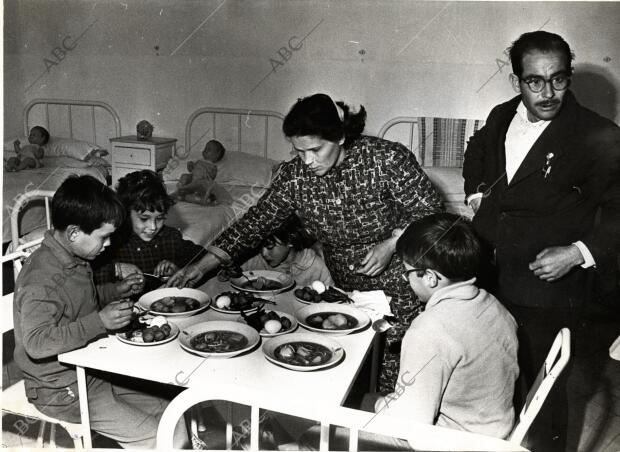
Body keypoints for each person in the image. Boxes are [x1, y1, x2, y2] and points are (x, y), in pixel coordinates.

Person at [168, 93, 444, 392]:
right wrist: (202, 265)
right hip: (345, 285)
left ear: (339, 137)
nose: (308, 161)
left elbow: (431, 212)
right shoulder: (295, 176)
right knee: (345, 371)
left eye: (315, 149)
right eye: (299, 152)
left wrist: (392, 242)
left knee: (394, 374)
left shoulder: (386, 158)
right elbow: (255, 222)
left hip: (399, 282)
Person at [462, 31, 620, 450]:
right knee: (493, 380)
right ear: (517, 81)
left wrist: (578, 253)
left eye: (559, 79)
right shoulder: (500, 116)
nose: (548, 92)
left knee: (545, 397)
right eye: (535, 81)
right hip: (488, 277)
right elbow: (476, 151)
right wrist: (478, 190)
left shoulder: (598, 135)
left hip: (546, 290)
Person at [299, 213, 519, 450]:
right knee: (364, 400)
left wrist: (385, 406)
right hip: (492, 434)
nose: (406, 281)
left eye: (408, 273)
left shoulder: (430, 328)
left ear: (431, 278)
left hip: (452, 443)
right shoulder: (495, 306)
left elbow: (412, 429)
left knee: (312, 434)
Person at [12, 175, 187, 448]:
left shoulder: (75, 257)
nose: (108, 245)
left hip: (93, 371)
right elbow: (36, 342)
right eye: (104, 237)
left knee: (175, 410)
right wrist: (99, 322)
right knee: (164, 436)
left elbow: (81, 301)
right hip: (61, 389)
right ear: (73, 233)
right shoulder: (41, 279)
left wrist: (115, 292)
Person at [93, 170, 206, 291]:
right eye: (144, 218)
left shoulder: (170, 237)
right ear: (126, 213)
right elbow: (85, 276)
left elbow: (204, 259)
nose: (153, 227)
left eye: (159, 218)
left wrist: (179, 270)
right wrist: (117, 269)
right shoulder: (112, 241)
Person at [239, 214, 333, 287]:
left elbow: (331, 301)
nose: (264, 253)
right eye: (260, 246)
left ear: (290, 240)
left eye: (270, 247)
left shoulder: (315, 266)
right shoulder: (254, 261)